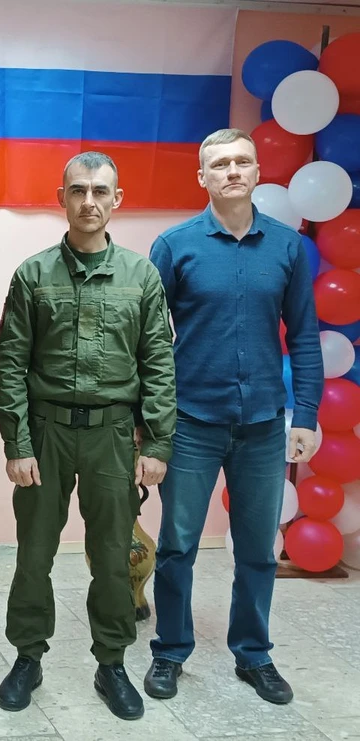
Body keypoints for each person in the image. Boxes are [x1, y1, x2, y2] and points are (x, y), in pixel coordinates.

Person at [0, 151, 176, 720]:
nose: (88, 201)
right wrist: (17, 444)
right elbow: (11, 363)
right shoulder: (33, 274)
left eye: (100, 191)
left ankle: (112, 663)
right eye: (78, 190)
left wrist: (157, 443)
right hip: (46, 434)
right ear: (62, 198)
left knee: (113, 557)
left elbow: (158, 363)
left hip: (113, 437)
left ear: (117, 199)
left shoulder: (141, 276)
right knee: (34, 554)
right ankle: (27, 657)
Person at [144, 128, 323, 705]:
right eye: (219, 164)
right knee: (177, 546)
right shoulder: (174, 246)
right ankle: (170, 651)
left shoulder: (288, 247)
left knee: (256, 550)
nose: (232, 171)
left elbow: (306, 336)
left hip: (264, 425)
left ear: (257, 172)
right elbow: (149, 342)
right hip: (190, 424)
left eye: (242, 161)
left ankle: (254, 654)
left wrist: (306, 413)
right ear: (202, 177)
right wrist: (148, 423)